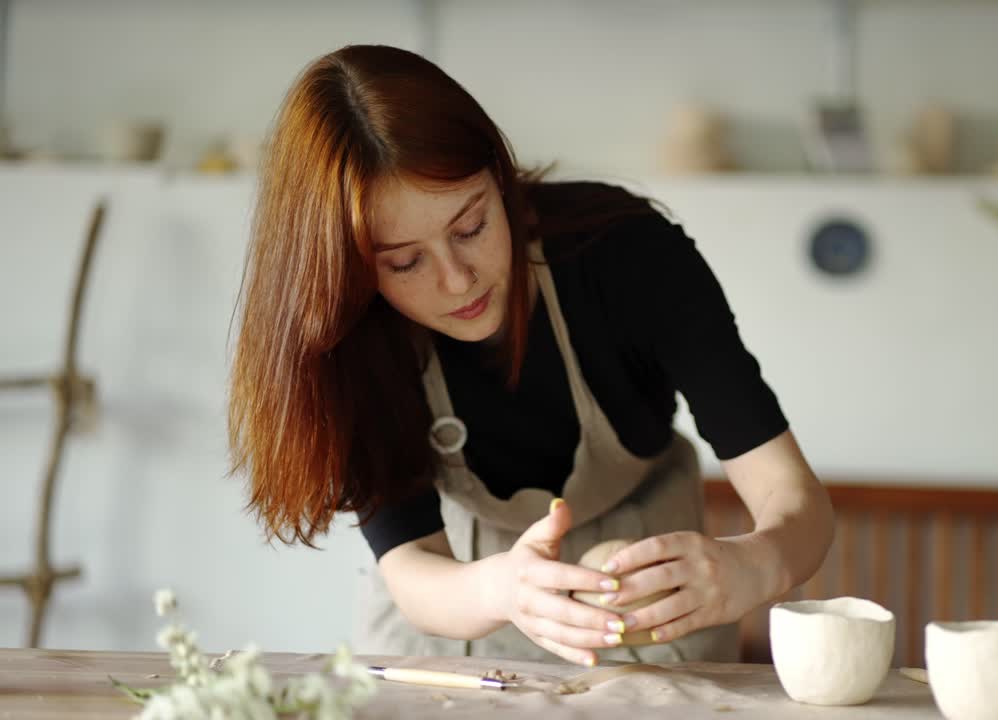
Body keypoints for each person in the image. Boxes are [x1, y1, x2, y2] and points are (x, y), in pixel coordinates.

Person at [228, 44, 833, 666]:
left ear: (499, 174)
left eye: (471, 227)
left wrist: (756, 565)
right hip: (456, 598)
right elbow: (413, 564)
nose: (458, 279)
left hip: (649, 602)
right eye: (405, 261)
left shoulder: (627, 257)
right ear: (351, 270)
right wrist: (502, 587)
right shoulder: (350, 337)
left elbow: (793, 495)